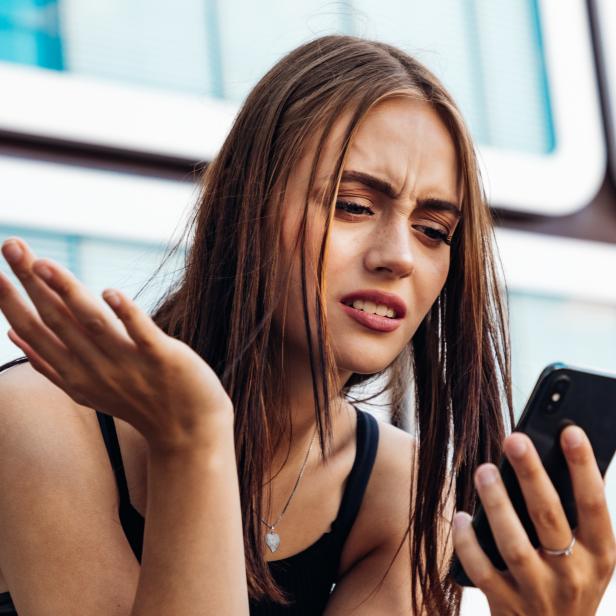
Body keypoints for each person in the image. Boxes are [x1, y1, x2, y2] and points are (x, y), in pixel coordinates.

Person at [0, 34, 613, 615]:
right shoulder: (42, 417)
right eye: (352, 206)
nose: (398, 255)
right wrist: (194, 438)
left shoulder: (397, 492)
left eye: (434, 231)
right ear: (248, 207)